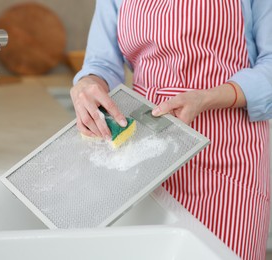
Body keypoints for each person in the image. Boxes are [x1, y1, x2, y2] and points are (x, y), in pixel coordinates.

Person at [70, 1, 272, 259]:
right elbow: (102, 63)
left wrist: (207, 98)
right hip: (146, 154)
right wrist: (88, 83)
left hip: (228, 157)